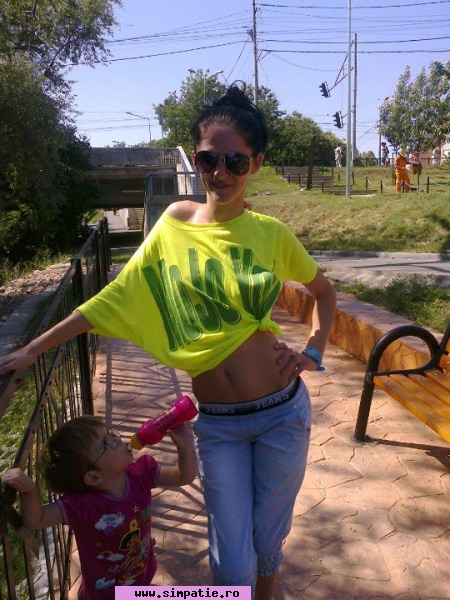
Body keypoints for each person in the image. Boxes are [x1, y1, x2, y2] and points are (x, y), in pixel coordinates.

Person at [0, 84, 336, 599]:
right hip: (220, 426)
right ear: (195, 159)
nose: (220, 172)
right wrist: (32, 350)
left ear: (256, 163)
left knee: (267, 539)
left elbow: (323, 293)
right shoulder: (176, 220)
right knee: (232, 563)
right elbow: (116, 297)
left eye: (235, 161)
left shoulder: (271, 233)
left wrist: (313, 350)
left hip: (282, 414)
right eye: (208, 159)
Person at [2, 415, 196, 599]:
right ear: (94, 477)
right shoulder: (83, 505)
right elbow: (37, 520)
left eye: (110, 433)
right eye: (106, 443)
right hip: (104, 594)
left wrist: (184, 445)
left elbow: (182, 476)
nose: (117, 439)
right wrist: (30, 491)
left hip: (142, 574)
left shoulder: (141, 474)